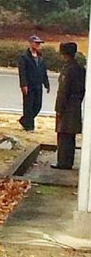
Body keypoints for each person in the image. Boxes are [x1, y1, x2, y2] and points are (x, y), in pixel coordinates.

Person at [53, 42, 85, 170]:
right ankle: (68, 161)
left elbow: (63, 91)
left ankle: (63, 162)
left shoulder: (68, 69)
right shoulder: (80, 69)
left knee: (63, 134)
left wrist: (59, 108)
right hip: (75, 104)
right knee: (70, 136)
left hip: (67, 107)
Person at [17, 35, 50, 131]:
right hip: (29, 85)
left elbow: (43, 71)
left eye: (39, 43)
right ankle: (29, 126)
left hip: (38, 85)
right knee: (28, 105)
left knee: (37, 105)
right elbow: (22, 72)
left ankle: (25, 120)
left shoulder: (40, 57)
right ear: (31, 43)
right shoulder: (24, 57)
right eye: (36, 43)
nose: (38, 45)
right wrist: (24, 85)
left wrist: (46, 83)